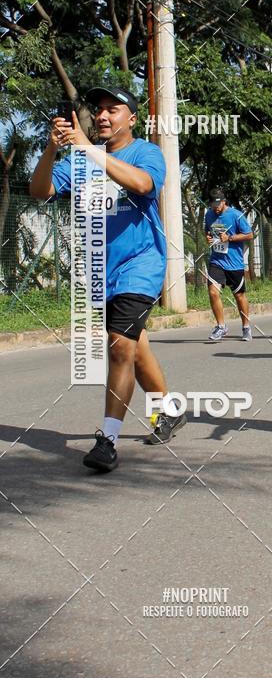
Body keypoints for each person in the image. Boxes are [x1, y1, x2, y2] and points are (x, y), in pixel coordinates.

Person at [29, 86, 185, 472]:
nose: (101, 116)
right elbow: (38, 191)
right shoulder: (77, 161)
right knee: (133, 346)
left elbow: (143, 185)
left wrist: (86, 147)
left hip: (140, 264)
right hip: (101, 272)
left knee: (119, 347)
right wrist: (52, 150)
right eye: (98, 110)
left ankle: (108, 440)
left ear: (131, 119)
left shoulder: (146, 152)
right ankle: (168, 410)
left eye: (112, 110)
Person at [204, 189, 253, 341]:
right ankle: (221, 326)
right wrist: (208, 237)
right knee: (213, 292)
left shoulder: (236, 215)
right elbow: (208, 231)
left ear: (224, 201)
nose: (216, 207)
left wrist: (230, 238)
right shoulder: (209, 215)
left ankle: (246, 327)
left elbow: (249, 234)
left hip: (234, 263)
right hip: (217, 261)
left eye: (218, 204)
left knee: (239, 296)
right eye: (213, 204)